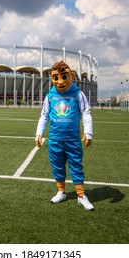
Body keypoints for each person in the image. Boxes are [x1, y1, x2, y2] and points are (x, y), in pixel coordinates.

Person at [35, 61, 94, 211]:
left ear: (72, 76)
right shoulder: (50, 96)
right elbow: (44, 116)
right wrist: (39, 134)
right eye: (56, 78)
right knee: (57, 166)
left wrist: (88, 132)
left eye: (64, 77)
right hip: (55, 140)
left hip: (73, 140)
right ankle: (61, 192)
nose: (60, 82)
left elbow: (86, 113)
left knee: (76, 166)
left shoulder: (78, 94)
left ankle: (81, 196)